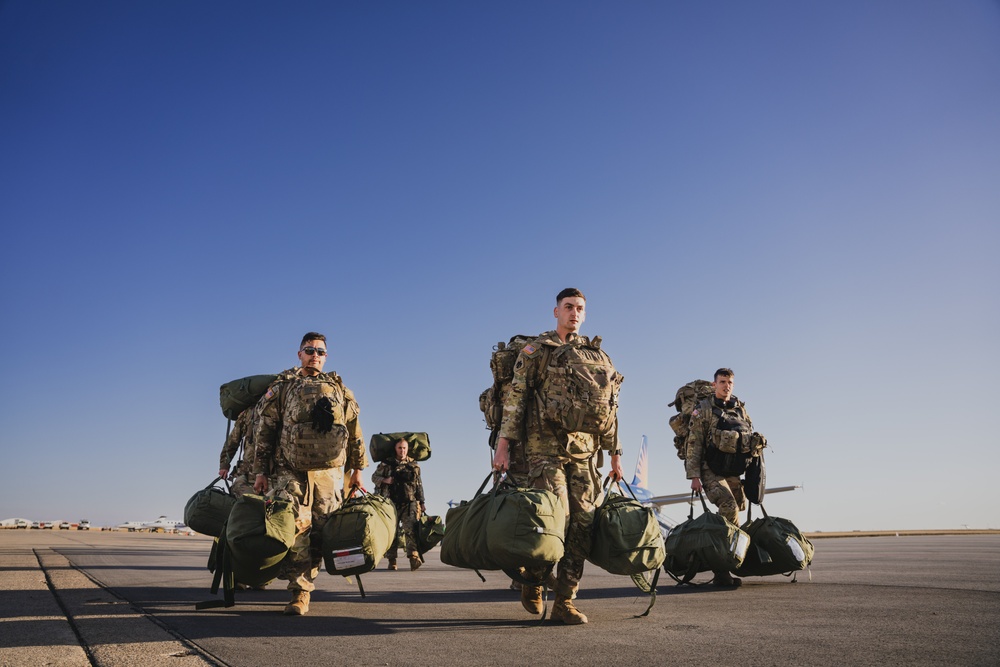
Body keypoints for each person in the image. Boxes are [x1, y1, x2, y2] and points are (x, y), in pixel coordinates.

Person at [492, 288, 624, 625]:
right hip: (543, 449)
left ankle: (565, 600)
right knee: (558, 519)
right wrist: (503, 446)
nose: (574, 313)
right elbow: (517, 399)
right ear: (556, 312)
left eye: (580, 308)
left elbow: (610, 410)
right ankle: (534, 580)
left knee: (584, 524)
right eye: (568, 307)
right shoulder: (537, 350)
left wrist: (615, 455)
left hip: (583, 451)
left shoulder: (599, 357)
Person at [252, 332, 367, 615]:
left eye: (320, 351)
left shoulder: (340, 390)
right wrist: (260, 471)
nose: (315, 355)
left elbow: (354, 433)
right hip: (288, 471)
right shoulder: (282, 388)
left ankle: (304, 584)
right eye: (309, 350)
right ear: (299, 354)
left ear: (326, 357)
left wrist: (358, 471)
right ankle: (299, 591)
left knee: (320, 531)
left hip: (328, 475)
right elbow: (264, 432)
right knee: (296, 528)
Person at [684, 367, 758, 588]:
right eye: (723, 382)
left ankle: (728, 556)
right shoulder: (703, 410)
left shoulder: (740, 410)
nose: (727, 386)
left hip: (732, 471)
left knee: (736, 511)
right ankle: (722, 570)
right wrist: (694, 475)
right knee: (728, 507)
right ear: (714, 384)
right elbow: (694, 443)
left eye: (730, 383)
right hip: (709, 469)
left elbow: (749, 438)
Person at [372, 438, 426, 571]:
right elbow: (374, 478)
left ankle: (413, 557)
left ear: (408, 449)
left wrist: (422, 502)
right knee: (392, 532)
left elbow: (419, 485)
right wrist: (385, 480)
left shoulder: (414, 465)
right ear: (395, 449)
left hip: (410, 503)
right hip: (390, 504)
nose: (402, 451)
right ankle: (392, 560)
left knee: (411, 530)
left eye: (404, 448)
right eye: (400, 448)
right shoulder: (387, 464)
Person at [218, 406, 258, 498]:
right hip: (249, 473)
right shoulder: (249, 411)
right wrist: (224, 464)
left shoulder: (277, 403)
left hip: (273, 473)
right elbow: (233, 440)